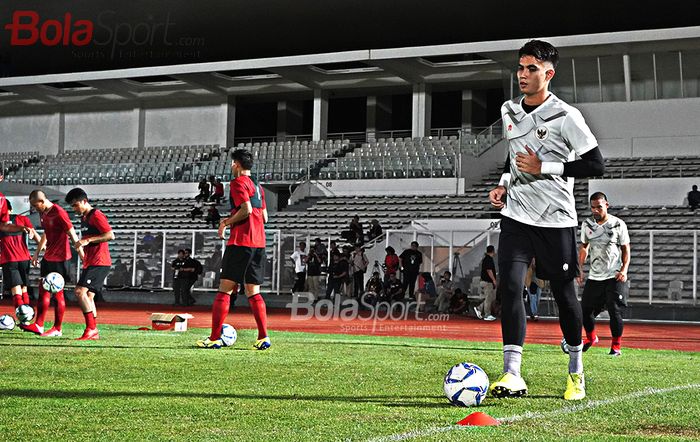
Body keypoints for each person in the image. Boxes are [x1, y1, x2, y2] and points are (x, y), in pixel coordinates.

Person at [487, 40, 605, 401]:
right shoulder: (509, 110)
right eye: (520, 68)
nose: (523, 75)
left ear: (548, 74)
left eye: (531, 69)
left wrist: (545, 167)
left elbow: (595, 164)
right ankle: (512, 374)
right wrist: (503, 185)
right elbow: (513, 158)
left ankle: (575, 373)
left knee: (566, 296)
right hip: (516, 216)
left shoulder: (566, 116)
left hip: (556, 220)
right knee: (509, 287)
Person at [196, 149, 271, 350]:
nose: (231, 167)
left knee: (225, 290)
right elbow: (264, 218)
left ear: (236, 164)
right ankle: (263, 337)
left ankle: (213, 339)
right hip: (259, 244)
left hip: (241, 243)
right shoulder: (258, 186)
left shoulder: (238, 183)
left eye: (232, 163)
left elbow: (245, 209)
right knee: (253, 291)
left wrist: (226, 222)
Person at [573, 192, 630, 357]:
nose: (595, 210)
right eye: (593, 207)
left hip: (614, 275)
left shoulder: (618, 224)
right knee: (585, 311)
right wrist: (580, 268)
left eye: (599, 206)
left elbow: (626, 248)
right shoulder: (587, 225)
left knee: (614, 310)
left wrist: (624, 269)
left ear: (607, 205)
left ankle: (616, 347)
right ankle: (591, 338)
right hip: (595, 276)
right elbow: (584, 247)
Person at [66, 187, 115, 341]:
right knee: (88, 295)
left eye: (75, 205)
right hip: (92, 261)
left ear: (84, 201)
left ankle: (91, 329)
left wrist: (87, 240)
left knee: (80, 292)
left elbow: (110, 235)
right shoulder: (84, 218)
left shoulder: (96, 215)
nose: (74, 209)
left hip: (99, 262)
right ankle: (93, 331)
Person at [0, 201, 41, 331]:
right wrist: (40, 251)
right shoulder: (22, 219)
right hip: (24, 259)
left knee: (16, 290)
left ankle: (24, 320)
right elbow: (35, 235)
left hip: (9, 260)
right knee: (24, 289)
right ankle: (27, 320)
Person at [475, 245, 498, 321]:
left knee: (490, 298)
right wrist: (494, 280)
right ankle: (487, 315)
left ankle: (479, 308)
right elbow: (489, 270)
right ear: (493, 251)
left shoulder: (486, 259)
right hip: (487, 282)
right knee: (488, 298)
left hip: (485, 281)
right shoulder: (488, 259)